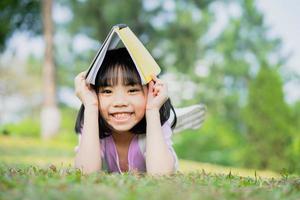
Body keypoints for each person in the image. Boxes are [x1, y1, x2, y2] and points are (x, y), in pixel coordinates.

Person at [74, 47, 178, 175]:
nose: (120, 102)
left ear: (152, 91)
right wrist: (90, 107)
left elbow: (162, 175)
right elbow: (85, 172)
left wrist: (152, 110)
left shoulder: (157, 124)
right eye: (107, 91)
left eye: (132, 90)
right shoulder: (91, 123)